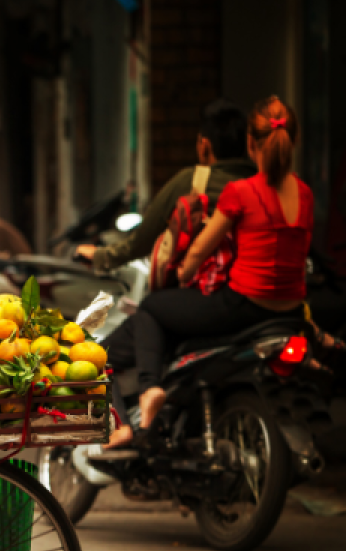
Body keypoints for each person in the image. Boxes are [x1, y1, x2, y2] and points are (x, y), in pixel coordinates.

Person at [102, 96, 313, 448]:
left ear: (251, 143)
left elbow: (201, 248)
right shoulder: (305, 193)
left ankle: (150, 389)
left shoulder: (241, 192)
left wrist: (185, 272)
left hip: (243, 306)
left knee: (154, 307)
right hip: (290, 311)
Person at [76, 99, 255, 270]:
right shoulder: (262, 182)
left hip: (210, 290)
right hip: (261, 289)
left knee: (152, 303)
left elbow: (142, 240)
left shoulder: (193, 180)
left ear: (204, 145)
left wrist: (101, 256)